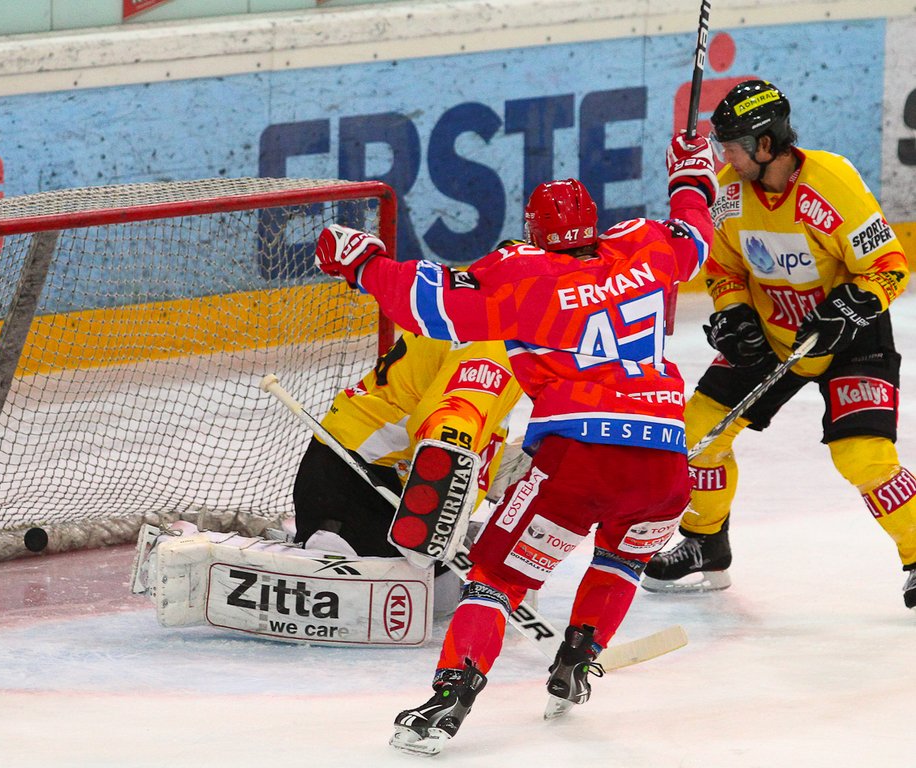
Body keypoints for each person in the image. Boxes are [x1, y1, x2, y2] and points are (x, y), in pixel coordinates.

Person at [312, 133, 716, 755]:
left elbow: (429, 303)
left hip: (578, 460)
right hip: (665, 465)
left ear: (533, 231)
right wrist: (691, 176)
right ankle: (578, 661)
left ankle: (449, 701)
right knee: (620, 559)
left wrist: (361, 264)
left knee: (494, 580)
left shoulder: (525, 274)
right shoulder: (647, 245)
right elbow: (695, 233)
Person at [640, 80, 916, 611]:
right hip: (772, 336)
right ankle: (705, 542)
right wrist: (733, 313)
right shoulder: (727, 195)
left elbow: (888, 265)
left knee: (864, 457)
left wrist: (853, 305)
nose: (725, 157)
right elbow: (723, 269)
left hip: (850, 340)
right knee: (697, 433)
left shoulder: (831, 183)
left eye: (732, 146)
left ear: (765, 144)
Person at [292, 330, 525, 559]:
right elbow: (445, 433)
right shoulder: (495, 345)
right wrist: (436, 523)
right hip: (366, 486)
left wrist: (489, 464)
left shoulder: (477, 321)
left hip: (344, 464)